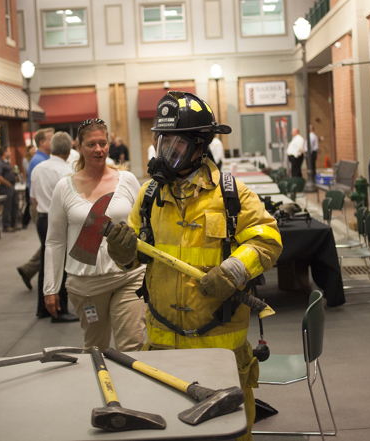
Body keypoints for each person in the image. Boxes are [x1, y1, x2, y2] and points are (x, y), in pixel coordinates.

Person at [106, 91, 283, 440]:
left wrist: (233, 271)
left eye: (176, 144)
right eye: (162, 141)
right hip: (162, 347)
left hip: (219, 349)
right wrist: (122, 250)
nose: (165, 152)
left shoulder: (233, 195)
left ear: (200, 147)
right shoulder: (149, 196)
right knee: (168, 430)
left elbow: (267, 240)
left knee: (229, 433)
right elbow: (134, 258)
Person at [44, 118, 147, 352]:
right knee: (95, 348)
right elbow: (55, 241)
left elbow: (145, 226)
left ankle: (132, 390)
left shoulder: (127, 180)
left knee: (133, 346)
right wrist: (51, 288)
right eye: (91, 144)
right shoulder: (64, 188)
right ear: (78, 148)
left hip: (129, 278)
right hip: (85, 286)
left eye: (103, 143)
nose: (98, 149)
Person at [30, 132, 79, 323]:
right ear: (68, 151)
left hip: (42, 218)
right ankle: (60, 309)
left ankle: (44, 307)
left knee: (46, 262)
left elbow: (33, 199)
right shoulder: (65, 172)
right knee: (61, 264)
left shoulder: (38, 168)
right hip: (58, 220)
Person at [16, 129, 54, 287]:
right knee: (50, 245)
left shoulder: (42, 158)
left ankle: (28, 270)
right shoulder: (40, 161)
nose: (53, 142)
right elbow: (39, 192)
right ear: (42, 143)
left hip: (41, 207)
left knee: (49, 244)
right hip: (40, 208)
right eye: (51, 140)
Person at [0, 146, 19, 233]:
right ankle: (6, 226)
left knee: (15, 206)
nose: (10, 153)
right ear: (4, 153)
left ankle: (13, 224)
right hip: (6, 188)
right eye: (9, 151)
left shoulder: (7, 162)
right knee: (7, 207)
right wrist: (7, 183)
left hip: (12, 187)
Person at [21, 142, 36, 229]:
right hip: (29, 186)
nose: (33, 150)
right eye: (32, 149)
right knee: (29, 204)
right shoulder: (25, 160)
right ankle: (25, 221)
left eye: (34, 149)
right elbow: (28, 171)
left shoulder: (36, 159)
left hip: (36, 185)